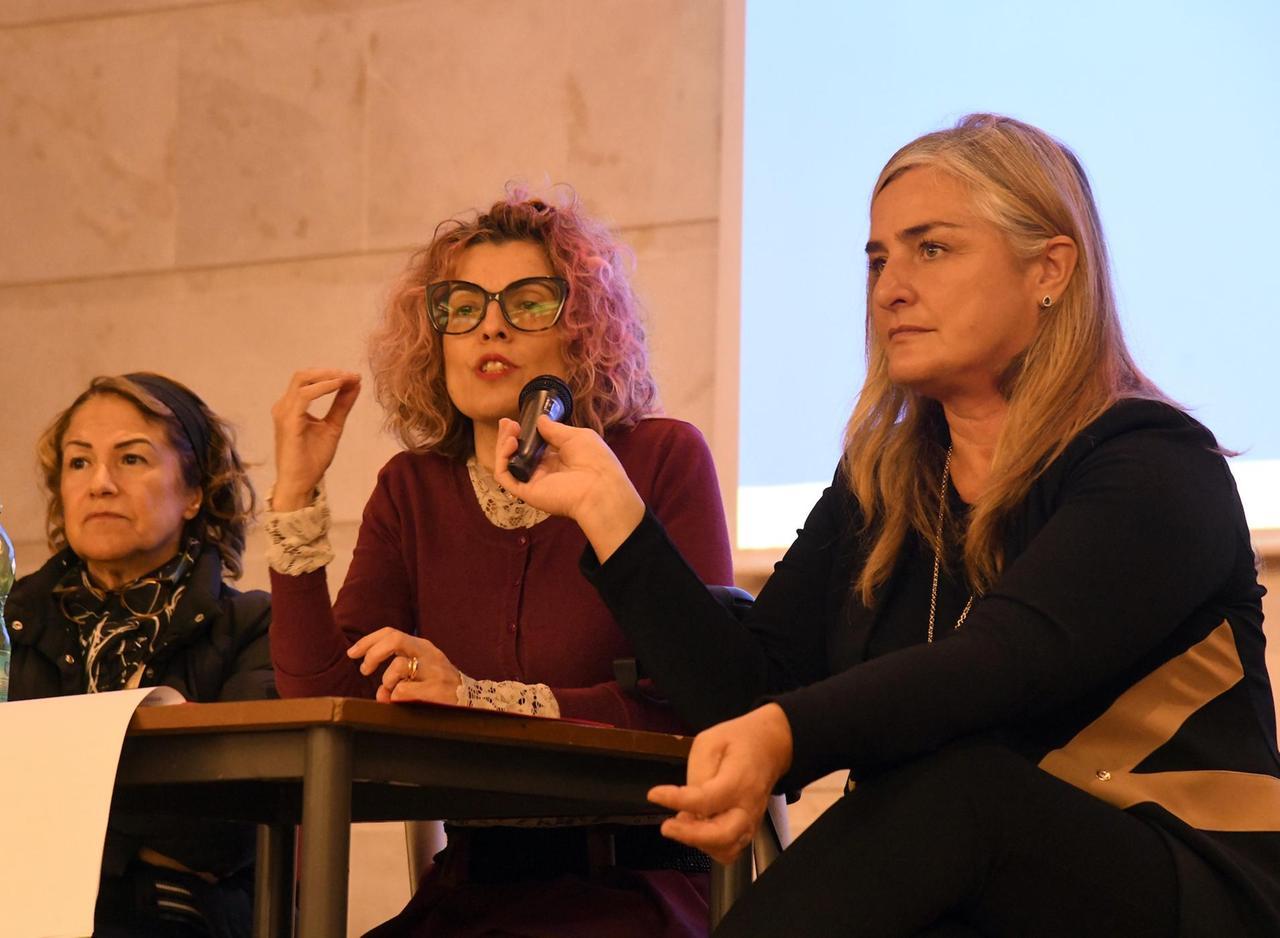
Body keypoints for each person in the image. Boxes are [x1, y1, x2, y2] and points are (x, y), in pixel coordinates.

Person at [494, 114, 1280, 937]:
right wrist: (610, 513)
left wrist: (787, 732)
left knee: (963, 787)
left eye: (930, 249)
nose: (889, 288)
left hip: (1181, 888)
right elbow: (745, 692)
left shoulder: (1153, 466)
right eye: (878, 258)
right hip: (967, 890)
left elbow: (1003, 666)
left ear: (1049, 267)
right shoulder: (885, 483)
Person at [266, 189, 732, 937]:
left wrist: (477, 696)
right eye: (464, 306)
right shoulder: (412, 488)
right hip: (469, 895)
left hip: (634, 887)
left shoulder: (659, 458)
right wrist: (294, 496)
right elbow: (326, 695)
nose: (490, 324)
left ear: (582, 331)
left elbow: (692, 705)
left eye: (528, 301)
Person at [4, 372, 272, 938]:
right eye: (78, 463)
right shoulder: (11, 626)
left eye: (130, 460)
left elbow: (227, 825)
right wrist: (128, 842)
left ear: (195, 491)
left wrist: (58, 835)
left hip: (180, 912)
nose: (99, 483)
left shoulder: (252, 625)